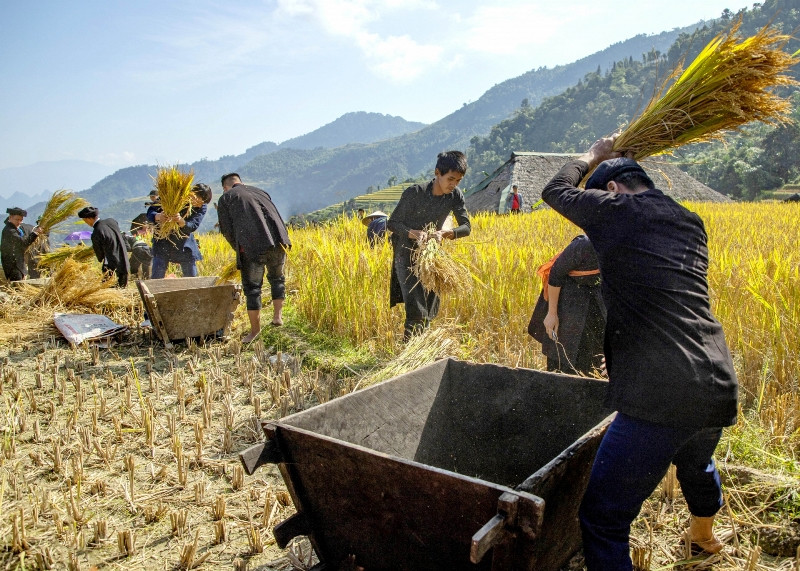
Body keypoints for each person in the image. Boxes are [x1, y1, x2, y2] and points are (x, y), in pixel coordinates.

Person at [541, 136, 739, 570]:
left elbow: (554, 190)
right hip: (716, 376)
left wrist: (593, 155)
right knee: (696, 461)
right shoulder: (689, 220)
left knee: (602, 518)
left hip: (662, 389)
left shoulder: (619, 212)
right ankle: (703, 537)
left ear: (611, 190)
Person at [387, 151, 471, 340]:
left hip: (431, 254)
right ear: (437, 173)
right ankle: (410, 352)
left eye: (458, 181)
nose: (454, 184)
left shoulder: (455, 195)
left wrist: (447, 233)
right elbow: (392, 223)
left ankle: (422, 346)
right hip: (406, 251)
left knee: (431, 302)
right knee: (416, 305)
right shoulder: (415, 193)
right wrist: (412, 233)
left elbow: (466, 227)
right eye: (450, 179)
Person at [217, 172, 291, 343]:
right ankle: (277, 317)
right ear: (240, 182)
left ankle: (255, 331)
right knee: (277, 278)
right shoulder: (261, 192)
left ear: (225, 187)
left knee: (252, 288)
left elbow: (226, 230)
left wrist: (238, 248)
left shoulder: (226, 198)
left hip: (252, 247)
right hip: (279, 242)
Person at [527, 235, 605, 375]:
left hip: (595, 298)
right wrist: (551, 314)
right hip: (567, 299)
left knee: (596, 353)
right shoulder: (583, 245)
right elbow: (555, 275)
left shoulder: (626, 250)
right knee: (563, 352)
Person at [147, 183, 212, 279]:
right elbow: (150, 212)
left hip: (184, 245)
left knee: (191, 279)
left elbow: (193, 225)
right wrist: (158, 216)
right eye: (199, 199)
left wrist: (181, 221)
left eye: (203, 202)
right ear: (192, 194)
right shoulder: (171, 197)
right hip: (162, 242)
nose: (200, 204)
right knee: (157, 276)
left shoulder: (202, 206)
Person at [78, 206, 130, 287]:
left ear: (89, 219)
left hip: (112, 267)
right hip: (124, 262)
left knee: (110, 290)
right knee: (123, 288)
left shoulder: (97, 232)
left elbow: (100, 255)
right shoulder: (112, 221)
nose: (86, 223)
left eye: (85, 220)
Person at [1, 207, 43, 281]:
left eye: (21, 220)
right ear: (10, 217)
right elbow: (24, 243)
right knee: (18, 287)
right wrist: (35, 233)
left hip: (19, 264)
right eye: (17, 219)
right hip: (13, 266)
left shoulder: (17, 229)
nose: (19, 222)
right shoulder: (10, 231)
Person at [125, 213, 153, 280]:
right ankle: (134, 278)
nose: (146, 226)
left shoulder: (151, 233)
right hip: (139, 248)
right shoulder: (138, 233)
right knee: (134, 264)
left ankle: (146, 278)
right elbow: (136, 238)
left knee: (146, 265)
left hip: (148, 249)